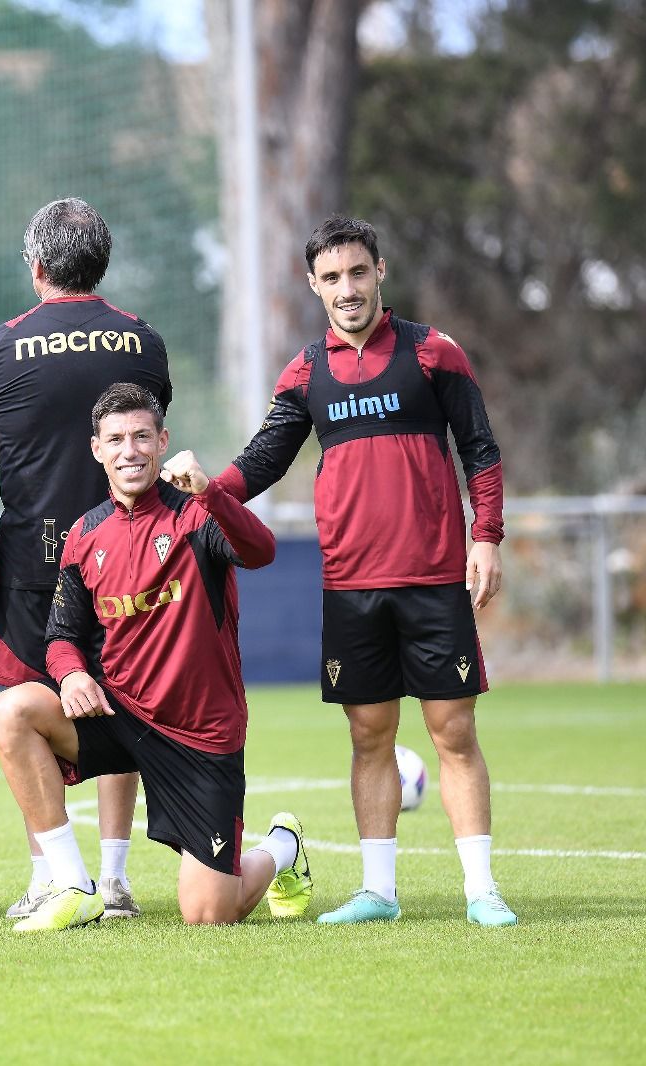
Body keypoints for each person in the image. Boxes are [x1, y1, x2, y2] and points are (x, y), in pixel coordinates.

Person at [205, 216, 515, 927]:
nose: (347, 289)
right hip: (350, 585)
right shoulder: (307, 372)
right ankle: (379, 892)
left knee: (453, 732)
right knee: (368, 735)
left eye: (358, 273)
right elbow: (264, 459)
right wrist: (203, 497)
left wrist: (487, 537)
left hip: (434, 576)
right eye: (332, 278)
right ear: (314, 286)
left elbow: (481, 450)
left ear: (381, 272)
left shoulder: (435, 354)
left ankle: (481, 890)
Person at [0, 383, 311, 931]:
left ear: (162, 442)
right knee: (12, 709)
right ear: (97, 450)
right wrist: (68, 675)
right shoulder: (84, 534)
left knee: (210, 915)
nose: (129, 450)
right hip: (119, 714)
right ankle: (70, 881)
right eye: (115, 439)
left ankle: (283, 848)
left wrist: (212, 491)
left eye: (142, 436)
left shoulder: (197, 516)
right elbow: (62, 634)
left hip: (199, 734)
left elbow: (262, 550)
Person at [0, 197, 172, 920]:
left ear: (38, 266)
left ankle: (53, 876)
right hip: (132, 558)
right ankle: (114, 880)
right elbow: (147, 430)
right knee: (125, 701)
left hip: (34, 560)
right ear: (102, 263)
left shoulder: (0, 346)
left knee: (27, 712)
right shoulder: (143, 344)